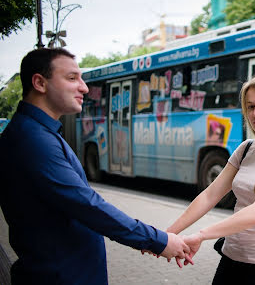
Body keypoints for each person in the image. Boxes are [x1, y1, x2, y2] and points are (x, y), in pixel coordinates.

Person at [0, 48, 191, 285]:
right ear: (39, 82)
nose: (84, 88)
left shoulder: (39, 132)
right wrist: (158, 240)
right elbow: (88, 205)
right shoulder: (33, 140)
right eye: (72, 78)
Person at [165, 76, 255, 284]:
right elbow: (209, 195)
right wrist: (165, 236)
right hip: (230, 262)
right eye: (250, 106)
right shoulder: (246, 149)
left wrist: (201, 235)